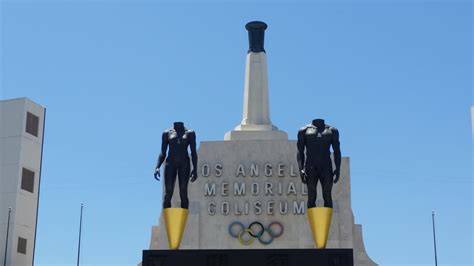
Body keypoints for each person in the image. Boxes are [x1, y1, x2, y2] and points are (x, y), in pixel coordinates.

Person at [297, 119, 341, 208]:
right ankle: (312, 221)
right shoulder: (304, 130)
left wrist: (338, 168)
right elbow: (300, 151)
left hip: (326, 166)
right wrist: (301, 168)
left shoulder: (332, 130)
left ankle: (327, 221)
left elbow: (337, 151)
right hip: (311, 166)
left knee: (327, 194)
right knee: (311, 195)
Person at [154, 122, 198, 209]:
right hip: (170, 163)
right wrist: (157, 167)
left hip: (184, 163)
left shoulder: (190, 133)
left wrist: (195, 169)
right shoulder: (167, 133)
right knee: (168, 193)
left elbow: (193, 152)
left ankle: (183, 219)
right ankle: (167, 219)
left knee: (183, 192)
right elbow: (163, 152)